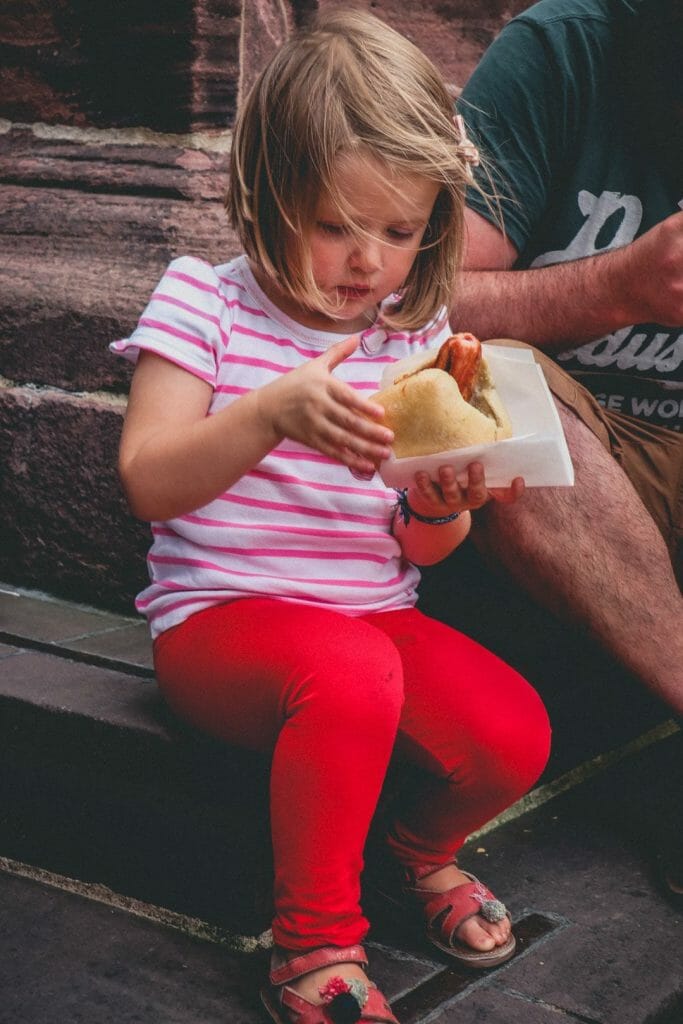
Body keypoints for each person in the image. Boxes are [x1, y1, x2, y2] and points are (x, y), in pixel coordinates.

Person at [111, 10, 550, 1023]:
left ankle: (415, 853)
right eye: (334, 225)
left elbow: (418, 544)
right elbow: (148, 478)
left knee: (511, 733)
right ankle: (312, 939)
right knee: (352, 675)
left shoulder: (412, 335)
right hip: (221, 622)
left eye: (398, 232)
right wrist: (267, 413)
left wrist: (438, 502)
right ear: (265, 194)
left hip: (371, 616)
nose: (367, 263)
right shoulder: (205, 305)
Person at [452, 0, 683, 901]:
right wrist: (622, 285)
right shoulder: (562, 49)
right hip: (578, 462)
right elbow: (420, 302)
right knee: (481, 389)